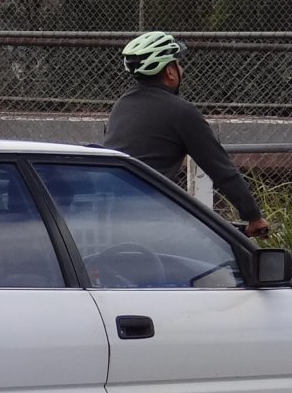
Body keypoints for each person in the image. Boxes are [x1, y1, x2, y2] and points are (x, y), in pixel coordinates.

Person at [104, 30, 270, 238]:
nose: (183, 69)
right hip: (150, 217)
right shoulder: (181, 111)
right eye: (178, 63)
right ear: (170, 72)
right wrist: (253, 217)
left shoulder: (121, 106)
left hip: (112, 215)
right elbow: (220, 168)